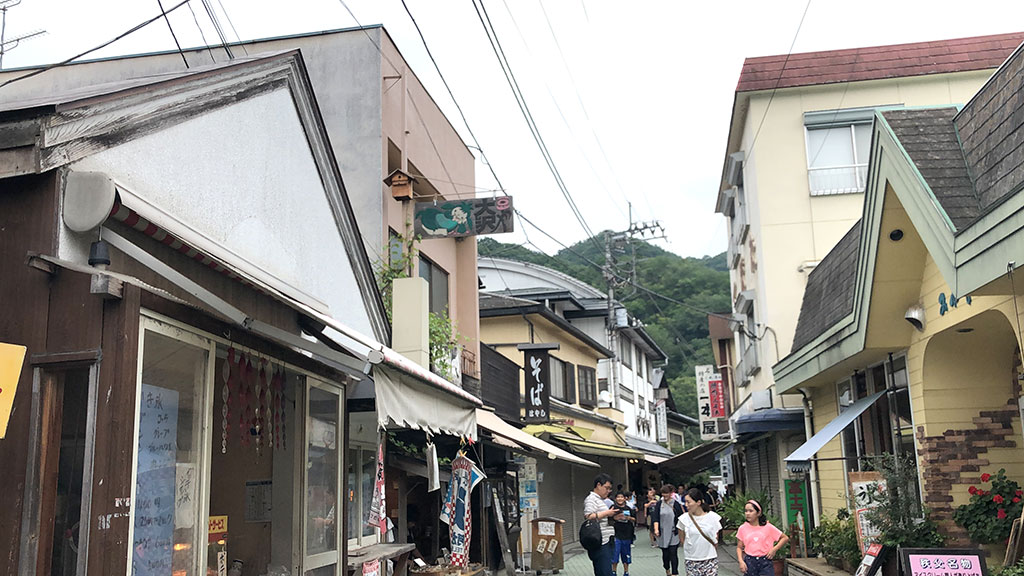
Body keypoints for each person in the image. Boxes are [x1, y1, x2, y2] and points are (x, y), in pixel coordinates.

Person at [676, 488, 723, 576]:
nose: (686, 505)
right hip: (692, 560)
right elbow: (682, 538)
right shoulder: (683, 519)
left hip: (710, 558)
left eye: (689, 502)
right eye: (685, 502)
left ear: (698, 502)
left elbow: (716, 537)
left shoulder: (713, 518)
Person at [736, 500, 789, 576]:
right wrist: (741, 561)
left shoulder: (768, 527)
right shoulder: (743, 528)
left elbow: (784, 538)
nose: (748, 514)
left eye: (751, 511)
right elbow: (739, 547)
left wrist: (774, 549)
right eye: (746, 511)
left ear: (758, 513)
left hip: (765, 561)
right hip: (750, 562)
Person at [583, 473, 622, 576]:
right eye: (607, 488)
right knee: (604, 571)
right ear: (599, 485)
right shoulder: (591, 499)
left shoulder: (600, 500)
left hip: (606, 540)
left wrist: (613, 517)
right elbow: (588, 516)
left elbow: (600, 517)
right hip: (600, 542)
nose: (608, 491)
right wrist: (607, 513)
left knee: (605, 570)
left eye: (610, 489)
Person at [652, 484, 685, 576]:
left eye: (666, 493)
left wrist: (681, 532)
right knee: (665, 555)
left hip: (673, 532)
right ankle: (667, 569)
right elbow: (655, 517)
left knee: (673, 553)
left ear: (671, 493)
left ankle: (675, 573)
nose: (664, 495)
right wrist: (656, 529)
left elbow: (681, 518)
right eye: (663, 493)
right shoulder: (659, 504)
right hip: (662, 533)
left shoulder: (676, 504)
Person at [611, 491, 637, 576]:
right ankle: (613, 572)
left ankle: (626, 572)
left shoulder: (628, 508)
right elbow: (608, 520)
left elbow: (634, 519)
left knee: (626, 554)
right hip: (616, 534)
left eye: (621, 497)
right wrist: (615, 518)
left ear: (625, 498)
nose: (620, 499)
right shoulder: (613, 508)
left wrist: (628, 518)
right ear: (615, 499)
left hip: (627, 534)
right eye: (618, 497)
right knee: (615, 554)